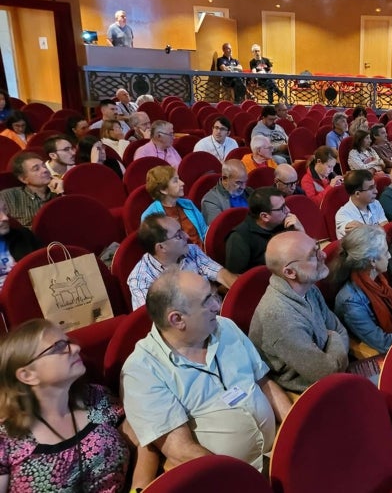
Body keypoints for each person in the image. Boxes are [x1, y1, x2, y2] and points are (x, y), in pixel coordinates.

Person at [122, 270, 291, 472]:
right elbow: (180, 450)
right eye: (206, 301)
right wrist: (239, 477)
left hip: (278, 452)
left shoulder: (225, 327)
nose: (217, 306)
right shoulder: (142, 371)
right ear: (177, 320)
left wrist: (294, 430)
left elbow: (263, 383)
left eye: (213, 296)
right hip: (227, 480)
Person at [0, 319, 152, 492]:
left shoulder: (96, 399)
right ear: (28, 375)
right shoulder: (6, 439)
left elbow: (144, 436)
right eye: (58, 347)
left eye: (69, 342)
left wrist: (138, 490)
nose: (76, 348)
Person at [249, 232, 349, 392]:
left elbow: (339, 329)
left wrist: (334, 338)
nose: (323, 254)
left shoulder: (309, 288)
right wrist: (335, 338)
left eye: (318, 247)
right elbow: (327, 373)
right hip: (308, 393)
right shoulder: (280, 317)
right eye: (313, 255)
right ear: (289, 272)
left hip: (337, 370)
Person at [128, 214, 238, 309]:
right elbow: (157, 320)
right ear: (161, 247)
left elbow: (221, 273)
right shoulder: (141, 280)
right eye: (178, 235)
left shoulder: (191, 250)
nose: (187, 236)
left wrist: (240, 288)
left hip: (212, 308)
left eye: (182, 231)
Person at [333, 225, 392, 354]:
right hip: (385, 355)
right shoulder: (351, 301)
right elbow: (383, 343)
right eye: (385, 252)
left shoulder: (378, 280)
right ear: (372, 261)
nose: (389, 256)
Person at [225, 186, 305, 273]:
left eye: (285, 205)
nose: (288, 210)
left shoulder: (285, 224)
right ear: (265, 216)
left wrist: (301, 232)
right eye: (282, 208)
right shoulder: (239, 238)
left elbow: (304, 256)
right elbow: (235, 279)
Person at [142, 165, 208, 248]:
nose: (182, 183)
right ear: (163, 190)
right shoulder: (150, 217)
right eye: (175, 181)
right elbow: (160, 251)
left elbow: (205, 233)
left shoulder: (188, 204)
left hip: (202, 255)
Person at [0, 152, 58, 227]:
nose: (45, 170)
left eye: (44, 166)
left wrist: (62, 193)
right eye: (36, 169)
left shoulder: (58, 192)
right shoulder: (8, 196)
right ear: (24, 179)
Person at [0, 197, 40, 289]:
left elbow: (45, 266)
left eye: (4, 210)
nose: (6, 218)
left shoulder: (23, 235)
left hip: (28, 293)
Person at [335, 169, 388, 239]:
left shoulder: (375, 203)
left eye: (375, 186)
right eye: (371, 188)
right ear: (357, 194)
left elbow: (385, 228)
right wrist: (377, 228)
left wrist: (364, 228)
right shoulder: (343, 214)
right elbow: (361, 238)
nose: (376, 191)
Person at [201, 159, 253, 225]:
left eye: (245, 182)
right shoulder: (211, 201)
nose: (243, 187)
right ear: (225, 179)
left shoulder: (249, 191)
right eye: (238, 182)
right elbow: (219, 230)